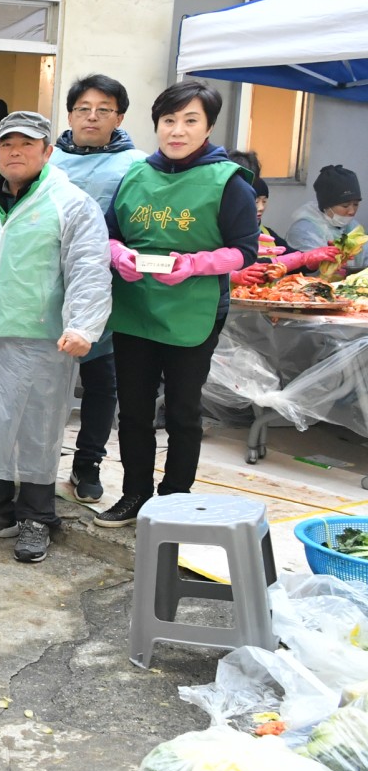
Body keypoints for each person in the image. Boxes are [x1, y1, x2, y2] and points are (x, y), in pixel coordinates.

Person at [0, 112, 111, 563]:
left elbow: (88, 267)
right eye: (7, 144)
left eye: (27, 144)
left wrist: (83, 325)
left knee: (38, 429)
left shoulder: (71, 204)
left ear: (48, 151)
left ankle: (37, 516)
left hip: (44, 339)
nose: (15, 152)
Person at [95, 81, 259, 527]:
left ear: (208, 127)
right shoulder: (136, 175)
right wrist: (118, 255)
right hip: (136, 307)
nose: (177, 130)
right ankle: (134, 494)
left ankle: (174, 499)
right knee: (133, 409)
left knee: (183, 410)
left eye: (190, 120)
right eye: (169, 120)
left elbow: (245, 251)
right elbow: (109, 234)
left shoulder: (228, 182)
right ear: (157, 125)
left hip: (194, 310)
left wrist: (194, 264)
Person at [49, 74, 145, 505]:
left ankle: (87, 464)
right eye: (83, 109)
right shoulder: (46, 159)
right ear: (70, 115)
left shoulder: (136, 165)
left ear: (119, 117)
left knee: (101, 381)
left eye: (104, 110)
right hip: (44, 284)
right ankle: (33, 463)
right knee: (41, 381)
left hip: (107, 286)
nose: (92, 117)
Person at [229, 150, 336, 279]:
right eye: (255, 201)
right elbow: (243, 266)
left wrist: (317, 258)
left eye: (264, 201)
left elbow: (293, 259)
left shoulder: (266, 234)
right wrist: (301, 259)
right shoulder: (216, 233)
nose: (260, 208)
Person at [284, 165, 365, 280]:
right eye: (345, 206)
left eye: (356, 204)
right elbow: (307, 270)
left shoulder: (353, 227)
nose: (352, 211)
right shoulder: (304, 230)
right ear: (326, 206)